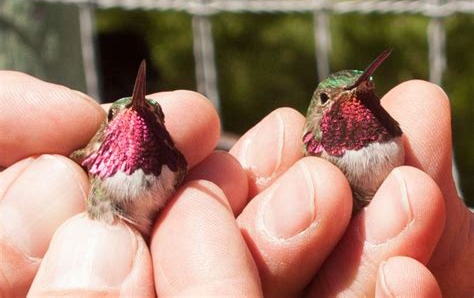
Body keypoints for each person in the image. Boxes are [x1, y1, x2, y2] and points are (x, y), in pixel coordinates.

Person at [0, 70, 472, 297]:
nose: (136, 115)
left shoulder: (179, 175)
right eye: (117, 116)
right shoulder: (79, 166)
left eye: (150, 112)